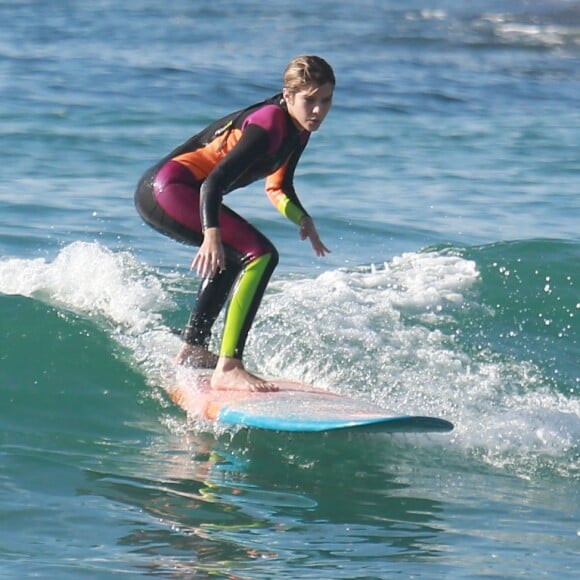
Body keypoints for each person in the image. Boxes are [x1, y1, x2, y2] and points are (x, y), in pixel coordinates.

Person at [135, 55, 335, 392]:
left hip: (188, 193)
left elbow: (278, 186)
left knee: (236, 256)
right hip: (170, 189)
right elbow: (214, 181)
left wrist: (303, 219)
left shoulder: (299, 132)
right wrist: (211, 234)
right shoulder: (270, 122)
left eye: (325, 100)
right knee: (260, 254)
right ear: (287, 96)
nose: (317, 110)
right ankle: (229, 367)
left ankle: (193, 350)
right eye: (309, 100)